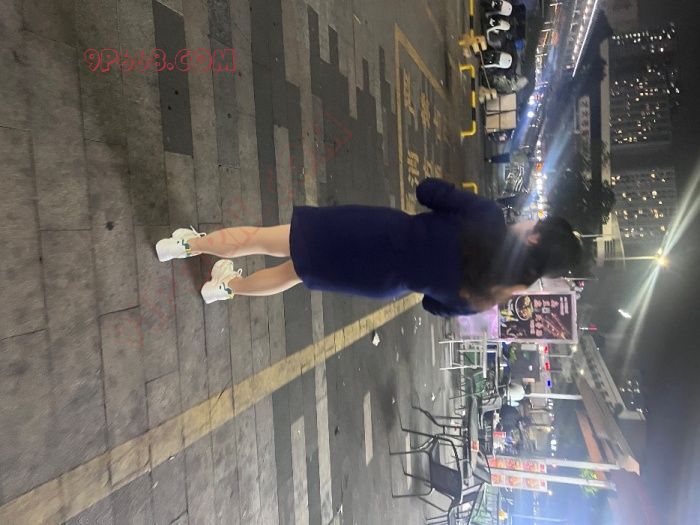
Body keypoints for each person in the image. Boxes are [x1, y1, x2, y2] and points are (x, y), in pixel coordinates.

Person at [155, 177, 582, 317]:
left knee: (268, 239)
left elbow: (426, 190)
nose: (529, 220)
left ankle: (187, 245)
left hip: (377, 232)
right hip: (382, 280)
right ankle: (223, 288)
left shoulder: (487, 217)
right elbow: (431, 306)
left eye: (536, 223)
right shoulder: (489, 296)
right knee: (297, 273)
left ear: (535, 237)